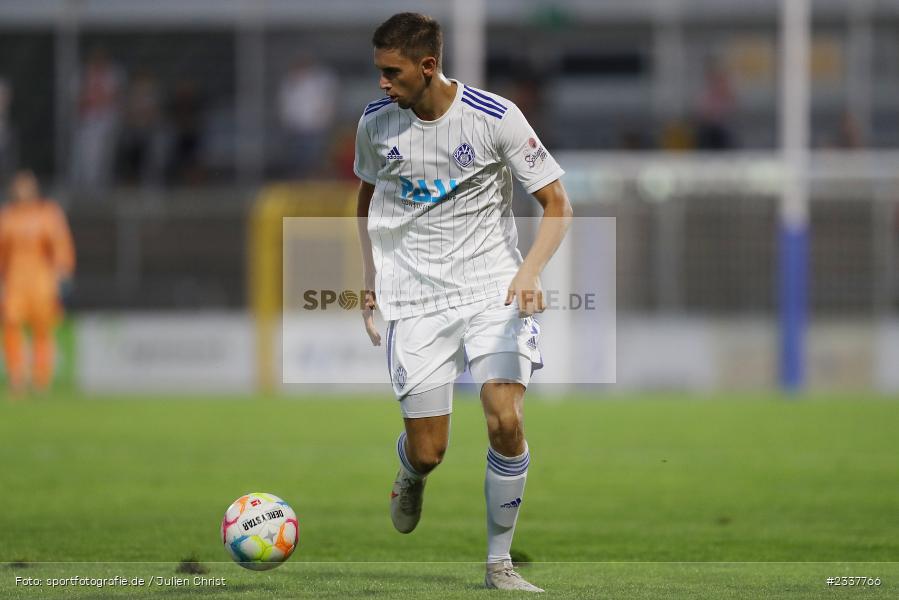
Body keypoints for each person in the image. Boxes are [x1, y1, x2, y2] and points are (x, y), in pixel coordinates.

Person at [354, 13, 572, 593]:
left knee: (506, 419)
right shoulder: (375, 124)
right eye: (379, 71)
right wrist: (371, 276)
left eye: (392, 71)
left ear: (428, 66)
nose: (382, 82)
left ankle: (499, 565)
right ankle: (410, 469)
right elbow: (366, 199)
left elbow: (557, 202)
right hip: (415, 296)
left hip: (491, 289)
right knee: (430, 451)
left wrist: (529, 270)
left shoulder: (494, 118)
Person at [0, 170, 75, 395]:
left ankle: (41, 378)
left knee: (42, 328)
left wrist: (62, 272)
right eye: (19, 186)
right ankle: (17, 375)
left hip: (42, 281)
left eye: (26, 186)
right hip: (15, 281)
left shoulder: (48, 214)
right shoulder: (7, 217)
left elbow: (61, 245)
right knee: (11, 324)